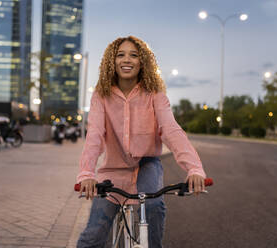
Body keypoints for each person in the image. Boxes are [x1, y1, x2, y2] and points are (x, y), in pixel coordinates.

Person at [76, 36, 207, 248]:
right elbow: (95, 135)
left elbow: (171, 130)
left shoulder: (155, 94)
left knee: (154, 205)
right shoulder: (101, 95)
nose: (127, 60)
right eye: (121, 55)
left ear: (142, 61)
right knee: (92, 238)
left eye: (134, 55)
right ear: (112, 60)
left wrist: (194, 169)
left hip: (147, 165)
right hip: (112, 171)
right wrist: (87, 174)